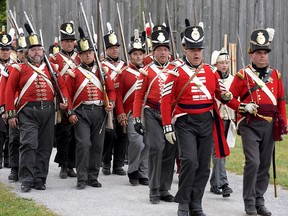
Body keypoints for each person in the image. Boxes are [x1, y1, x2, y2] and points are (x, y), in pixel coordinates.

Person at [160, 24, 231, 216]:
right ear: (185, 50)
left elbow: (221, 92)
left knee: (203, 165)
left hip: (206, 121)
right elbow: (165, 101)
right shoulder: (176, 72)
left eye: (199, 49)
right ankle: (183, 203)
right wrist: (167, 126)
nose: (196, 53)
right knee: (189, 161)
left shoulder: (211, 71)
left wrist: (233, 101)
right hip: (185, 122)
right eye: (192, 49)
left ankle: (196, 204)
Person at [228, 28, 287, 216]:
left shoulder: (276, 75)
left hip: (269, 125)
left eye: (265, 53)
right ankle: (249, 202)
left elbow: (281, 101)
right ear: (251, 55)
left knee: (264, 165)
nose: (262, 57)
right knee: (252, 162)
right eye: (258, 53)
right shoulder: (242, 76)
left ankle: (259, 200)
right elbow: (228, 98)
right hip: (250, 124)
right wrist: (243, 107)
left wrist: (283, 122)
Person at [5, 23, 68, 192]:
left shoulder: (52, 69)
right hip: (27, 111)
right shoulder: (19, 68)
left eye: (39, 49)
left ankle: (40, 178)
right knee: (28, 144)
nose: (36, 52)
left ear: (43, 51)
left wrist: (64, 101)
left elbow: (61, 87)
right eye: (33, 50)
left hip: (47, 110)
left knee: (45, 146)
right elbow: (9, 91)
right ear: (27, 53)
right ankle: (26, 179)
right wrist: (11, 114)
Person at [65, 27, 116, 190]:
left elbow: (111, 90)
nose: (88, 55)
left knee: (97, 145)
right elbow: (68, 94)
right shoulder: (74, 73)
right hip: (82, 113)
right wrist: (70, 111)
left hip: (99, 112)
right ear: (79, 55)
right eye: (84, 53)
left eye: (90, 52)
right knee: (83, 144)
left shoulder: (102, 71)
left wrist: (112, 102)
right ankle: (81, 177)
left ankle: (93, 176)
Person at [133, 27, 176, 204]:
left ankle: (164, 188)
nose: (163, 52)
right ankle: (154, 190)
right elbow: (138, 96)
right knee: (156, 147)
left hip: (170, 114)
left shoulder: (176, 69)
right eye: (159, 49)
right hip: (151, 112)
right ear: (153, 52)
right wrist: (136, 118)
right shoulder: (146, 71)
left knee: (170, 148)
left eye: (165, 49)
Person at [115, 29, 149, 186]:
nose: (138, 57)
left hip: (147, 111)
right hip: (131, 113)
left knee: (147, 143)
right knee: (137, 142)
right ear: (130, 56)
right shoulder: (123, 73)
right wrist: (120, 113)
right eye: (135, 54)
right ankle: (133, 170)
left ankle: (143, 172)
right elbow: (118, 95)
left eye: (140, 54)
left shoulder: (148, 72)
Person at [49, 22, 80, 179]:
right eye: (66, 41)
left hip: (77, 99)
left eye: (71, 41)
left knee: (75, 135)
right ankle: (63, 165)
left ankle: (71, 164)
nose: (69, 44)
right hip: (62, 100)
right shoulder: (53, 58)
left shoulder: (80, 58)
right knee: (63, 134)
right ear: (61, 42)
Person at [101, 23, 127, 176]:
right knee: (109, 133)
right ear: (107, 50)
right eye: (112, 48)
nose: (115, 50)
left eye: (116, 47)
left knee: (123, 133)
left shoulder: (125, 65)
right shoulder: (102, 65)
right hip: (109, 101)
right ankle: (106, 162)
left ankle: (118, 164)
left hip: (122, 101)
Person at [209, 47, 234, 197]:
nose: (224, 65)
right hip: (214, 119)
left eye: (226, 62)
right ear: (215, 64)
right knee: (217, 151)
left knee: (221, 152)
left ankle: (214, 183)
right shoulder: (212, 78)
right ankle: (224, 183)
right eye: (221, 63)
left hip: (228, 120)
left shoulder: (232, 79)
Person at [0, 32, 16, 169]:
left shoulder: (15, 65)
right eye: (2, 49)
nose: (5, 52)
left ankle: (8, 159)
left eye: (7, 49)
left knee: (9, 133)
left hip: (9, 101)